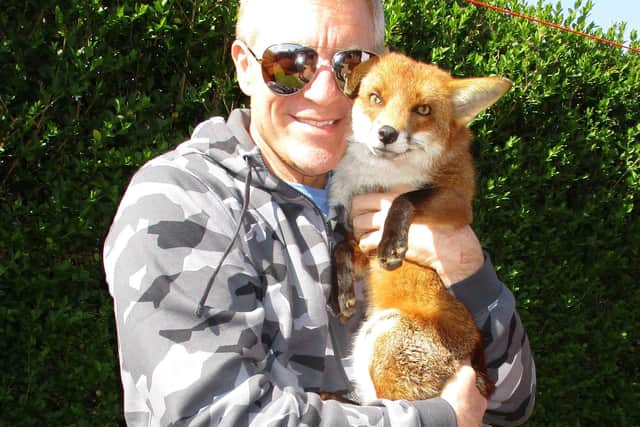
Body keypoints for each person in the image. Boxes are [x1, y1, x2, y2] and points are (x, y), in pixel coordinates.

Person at [103, 0, 536, 425]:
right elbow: (208, 416)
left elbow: (513, 400)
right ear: (245, 66)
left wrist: (467, 268)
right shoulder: (182, 200)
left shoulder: (397, 186)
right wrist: (435, 420)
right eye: (289, 64)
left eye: (350, 65)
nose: (327, 93)